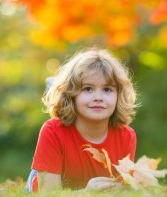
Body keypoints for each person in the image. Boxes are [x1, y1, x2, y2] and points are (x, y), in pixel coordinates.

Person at [26, 48, 138, 192]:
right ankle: (56, 87)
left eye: (107, 90)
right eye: (88, 89)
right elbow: (48, 193)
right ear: (72, 94)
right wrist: (85, 193)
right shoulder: (52, 130)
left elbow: (123, 189)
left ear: (118, 96)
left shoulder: (127, 136)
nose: (98, 97)